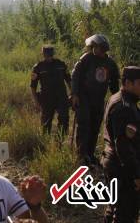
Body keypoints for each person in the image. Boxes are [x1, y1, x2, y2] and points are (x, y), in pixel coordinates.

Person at [71, 34, 120, 165]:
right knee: (84, 125)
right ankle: (81, 156)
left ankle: (90, 155)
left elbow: (114, 83)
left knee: (95, 126)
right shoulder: (86, 59)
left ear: (102, 49)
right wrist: (74, 94)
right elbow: (75, 76)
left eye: (96, 47)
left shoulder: (110, 64)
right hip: (83, 98)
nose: (94, 49)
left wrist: (117, 100)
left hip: (98, 99)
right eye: (93, 47)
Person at [102, 66, 140, 222]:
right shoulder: (123, 106)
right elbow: (123, 146)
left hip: (116, 165)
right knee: (126, 213)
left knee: (115, 208)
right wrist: (136, 175)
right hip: (122, 169)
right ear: (128, 83)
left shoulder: (121, 99)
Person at [30, 46, 71, 135]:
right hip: (46, 98)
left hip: (61, 97)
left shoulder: (61, 64)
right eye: (46, 54)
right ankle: (46, 143)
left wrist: (73, 94)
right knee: (46, 123)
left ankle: (60, 141)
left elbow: (69, 80)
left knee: (64, 119)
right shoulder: (38, 67)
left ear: (53, 54)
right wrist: (36, 102)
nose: (48, 56)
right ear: (43, 54)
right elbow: (33, 87)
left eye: (50, 54)